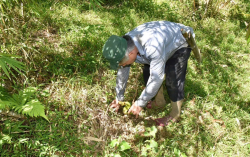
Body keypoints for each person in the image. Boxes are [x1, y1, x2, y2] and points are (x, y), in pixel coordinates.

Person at [102, 21, 195, 126]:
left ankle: (175, 115)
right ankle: (159, 102)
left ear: (131, 53)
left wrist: (140, 103)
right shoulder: (125, 44)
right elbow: (122, 72)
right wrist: (119, 98)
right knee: (147, 73)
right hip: (160, 45)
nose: (122, 65)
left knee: (173, 80)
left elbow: (156, 78)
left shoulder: (152, 46)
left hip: (179, 42)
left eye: (122, 63)